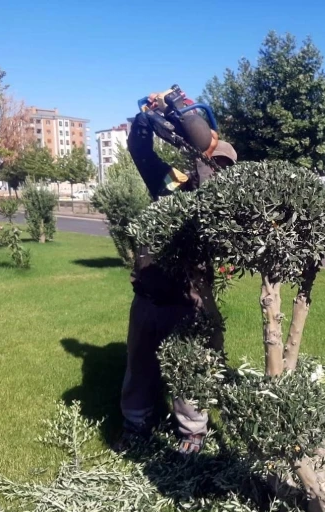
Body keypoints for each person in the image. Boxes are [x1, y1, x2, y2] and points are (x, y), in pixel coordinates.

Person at [115, 101, 237, 454]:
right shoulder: (173, 185)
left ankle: (192, 433)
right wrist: (144, 122)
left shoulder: (218, 188)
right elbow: (143, 156)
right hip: (149, 295)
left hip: (190, 300)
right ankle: (136, 424)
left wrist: (180, 115)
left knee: (191, 367)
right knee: (139, 366)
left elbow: (206, 163)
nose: (215, 166)